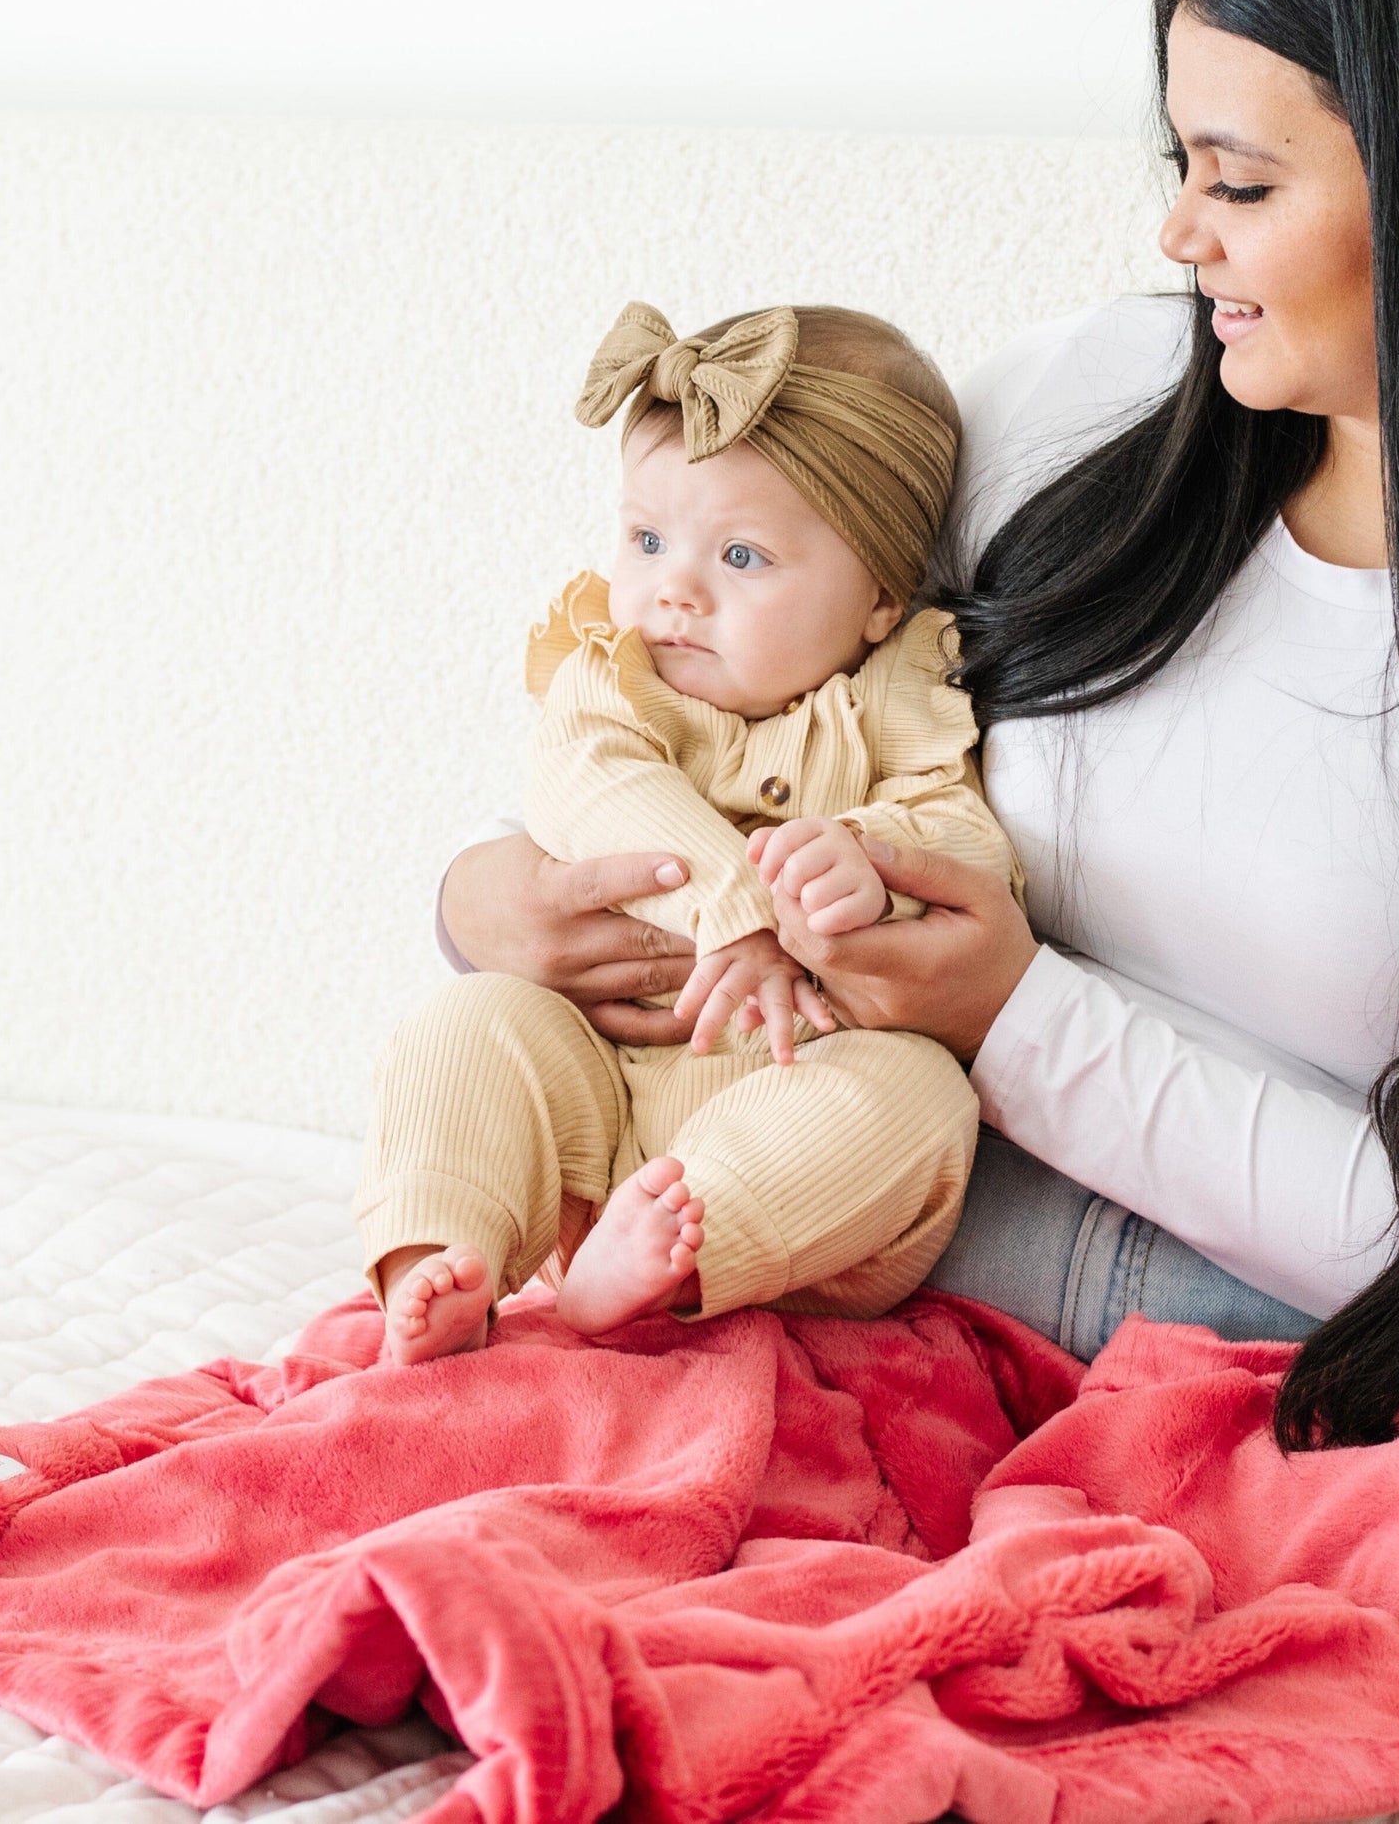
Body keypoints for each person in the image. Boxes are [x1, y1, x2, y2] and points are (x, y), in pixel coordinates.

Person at [434, 0, 1399, 1816]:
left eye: (1235, 180)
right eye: (1180, 164)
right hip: (920, 1246)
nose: (1176, 234)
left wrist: (1018, 1012)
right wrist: (485, 893)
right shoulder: (1078, 412)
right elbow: (698, 681)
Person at [361, 301, 1019, 1361]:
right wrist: (737, 908)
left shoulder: (905, 692)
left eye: (743, 557)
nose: (673, 588)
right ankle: (439, 1260)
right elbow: (592, 782)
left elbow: (966, 837)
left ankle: (670, 1252)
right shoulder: (611, 676)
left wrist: (867, 864)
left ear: (879, 598)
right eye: (647, 539)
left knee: (922, 1098)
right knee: (470, 1021)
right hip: (602, 1082)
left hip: (794, 1101)